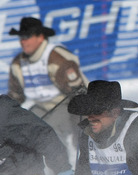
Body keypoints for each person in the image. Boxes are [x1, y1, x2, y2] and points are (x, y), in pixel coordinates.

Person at [8, 17, 87, 157]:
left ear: (40, 37)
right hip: (40, 106)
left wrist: (82, 128)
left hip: (67, 104)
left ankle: (66, 169)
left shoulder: (57, 58)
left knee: (50, 133)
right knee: (22, 131)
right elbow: (15, 96)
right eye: (21, 37)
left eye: (27, 36)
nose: (22, 41)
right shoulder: (18, 63)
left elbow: (79, 94)